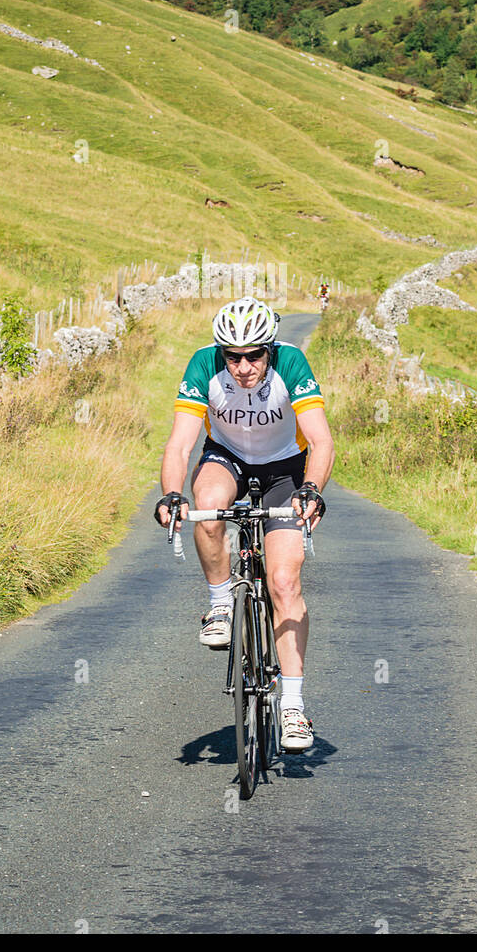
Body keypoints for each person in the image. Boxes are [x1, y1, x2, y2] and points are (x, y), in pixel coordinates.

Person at [155, 296, 334, 752]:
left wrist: (311, 489)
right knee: (209, 503)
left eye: (254, 355)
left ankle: (292, 708)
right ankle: (220, 603)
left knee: (283, 581)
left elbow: (320, 439)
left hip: (285, 468)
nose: (243, 366)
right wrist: (171, 495)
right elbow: (179, 445)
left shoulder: (291, 363)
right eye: (233, 356)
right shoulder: (203, 365)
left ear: (269, 349)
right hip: (227, 457)